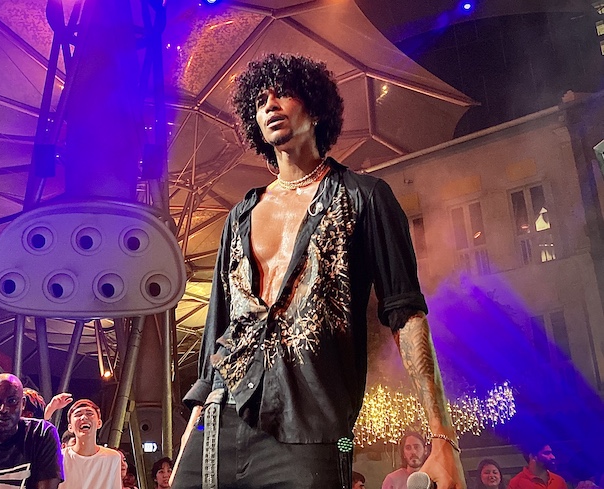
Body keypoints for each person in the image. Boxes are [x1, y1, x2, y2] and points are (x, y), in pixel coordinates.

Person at [171, 53, 466, 489]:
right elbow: (217, 333)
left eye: (283, 93)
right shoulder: (240, 215)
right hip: (220, 422)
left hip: (309, 432)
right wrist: (189, 441)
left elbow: (405, 314)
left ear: (316, 108)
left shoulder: (366, 197)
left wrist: (442, 437)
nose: (270, 105)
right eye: (260, 100)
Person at [0, 334, 73, 424]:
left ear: (27, 413)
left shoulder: (35, 440)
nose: (3, 409)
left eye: (12, 401)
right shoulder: (0, 428)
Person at [59, 399, 122, 489]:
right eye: (78, 415)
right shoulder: (60, 457)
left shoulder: (113, 457)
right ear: (70, 427)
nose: (84, 417)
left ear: (99, 423)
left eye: (89, 413)